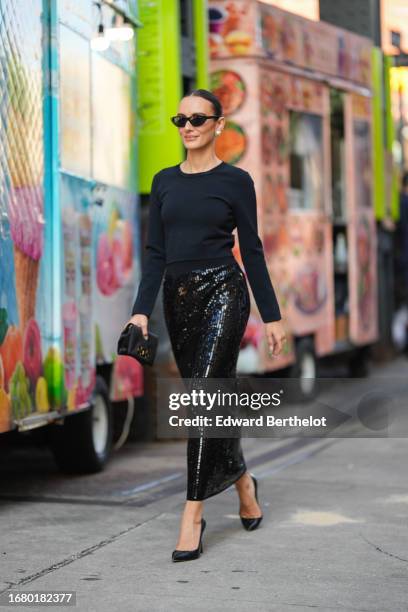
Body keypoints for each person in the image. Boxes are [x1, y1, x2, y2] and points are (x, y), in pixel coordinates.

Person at [124, 89, 286, 561]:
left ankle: (192, 513)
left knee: (202, 400)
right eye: (180, 119)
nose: (187, 126)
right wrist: (140, 309)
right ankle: (243, 484)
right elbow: (155, 253)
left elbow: (251, 251)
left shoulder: (237, 181)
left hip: (224, 293)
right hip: (178, 299)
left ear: (219, 125)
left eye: (198, 118)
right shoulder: (163, 182)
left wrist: (271, 316)